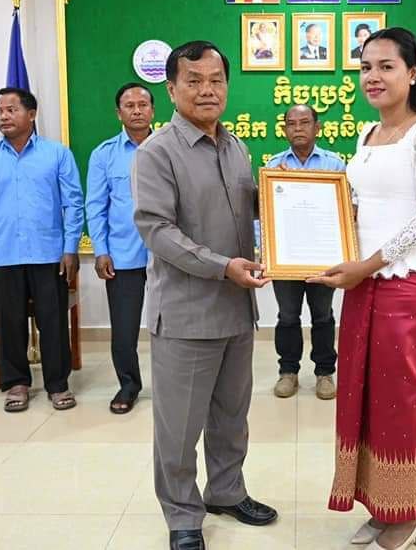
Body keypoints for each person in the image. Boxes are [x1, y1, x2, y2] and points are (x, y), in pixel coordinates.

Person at [309, 27, 416, 550]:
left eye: (386, 66)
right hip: (363, 284)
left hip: (406, 283)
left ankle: (408, 512)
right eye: (365, 67)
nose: (372, 76)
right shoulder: (367, 134)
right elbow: (359, 210)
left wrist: (367, 265)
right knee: (363, 394)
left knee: (402, 397)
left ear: (412, 73)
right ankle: (381, 502)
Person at [131, 41, 278, 550]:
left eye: (216, 80)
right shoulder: (157, 152)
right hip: (187, 315)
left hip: (237, 310)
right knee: (179, 427)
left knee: (231, 418)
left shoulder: (237, 148)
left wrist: (292, 207)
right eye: (193, 80)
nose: (207, 90)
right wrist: (223, 267)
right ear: (171, 89)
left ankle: (226, 491)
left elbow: (251, 210)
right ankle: (182, 515)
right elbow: (158, 231)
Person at [0, 87, 84, 413]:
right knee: (9, 323)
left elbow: (73, 204)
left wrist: (70, 248)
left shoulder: (57, 154)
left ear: (31, 114)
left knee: (53, 322)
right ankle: (16, 383)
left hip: (49, 254)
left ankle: (58, 384)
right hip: (4, 255)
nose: (3, 116)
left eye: (11, 110)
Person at [266, 104, 345, 400]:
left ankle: (325, 373)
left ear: (317, 127)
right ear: (284, 129)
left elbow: (345, 211)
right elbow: (265, 213)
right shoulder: (273, 166)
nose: (298, 128)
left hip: (323, 258)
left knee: (322, 316)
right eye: (291, 123)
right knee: (287, 316)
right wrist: (267, 253)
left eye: (304, 122)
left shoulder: (334, 165)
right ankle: (288, 372)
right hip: (285, 258)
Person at [85, 82, 155, 415]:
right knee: (124, 330)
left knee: (172, 326)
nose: (137, 110)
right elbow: (95, 206)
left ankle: (173, 384)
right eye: (130, 105)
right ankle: (128, 385)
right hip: (123, 256)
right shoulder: (103, 154)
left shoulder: (170, 147)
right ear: (119, 113)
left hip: (167, 255)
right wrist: (101, 250)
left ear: (153, 110)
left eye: (143, 104)